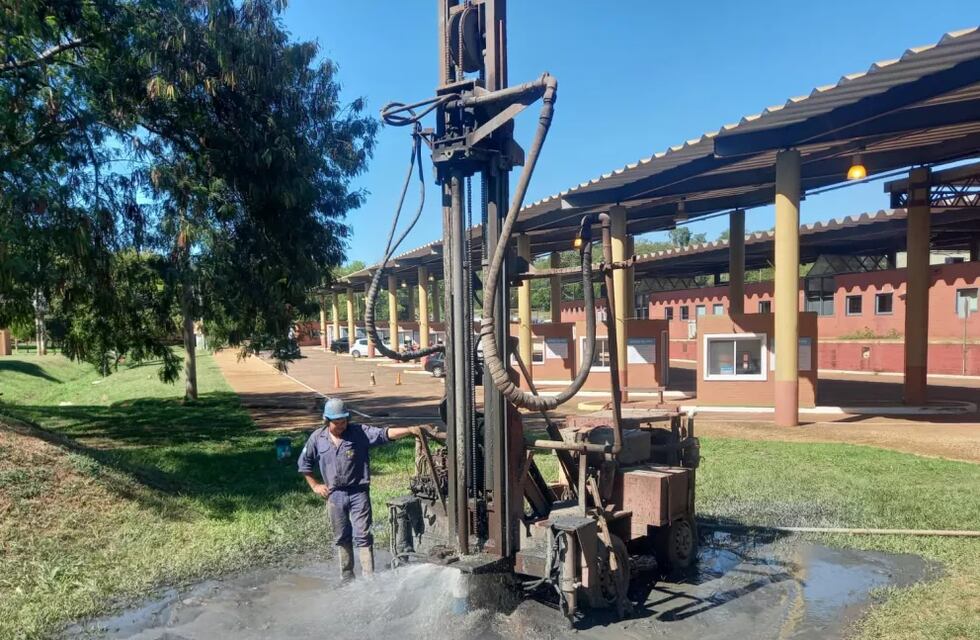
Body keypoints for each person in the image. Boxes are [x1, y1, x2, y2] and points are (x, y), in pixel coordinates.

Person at [298, 397, 425, 580]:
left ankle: (368, 577)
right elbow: (304, 464)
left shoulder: (359, 433)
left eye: (344, 421)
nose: (342, 425)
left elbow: (384, 434)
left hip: (359, 493)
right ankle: (347, 576)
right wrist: (315, 485)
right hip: (335, 496)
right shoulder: (317, 438)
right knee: (341, 536)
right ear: (327, 421)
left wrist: (409, 431)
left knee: (363, 535)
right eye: (337, 423)